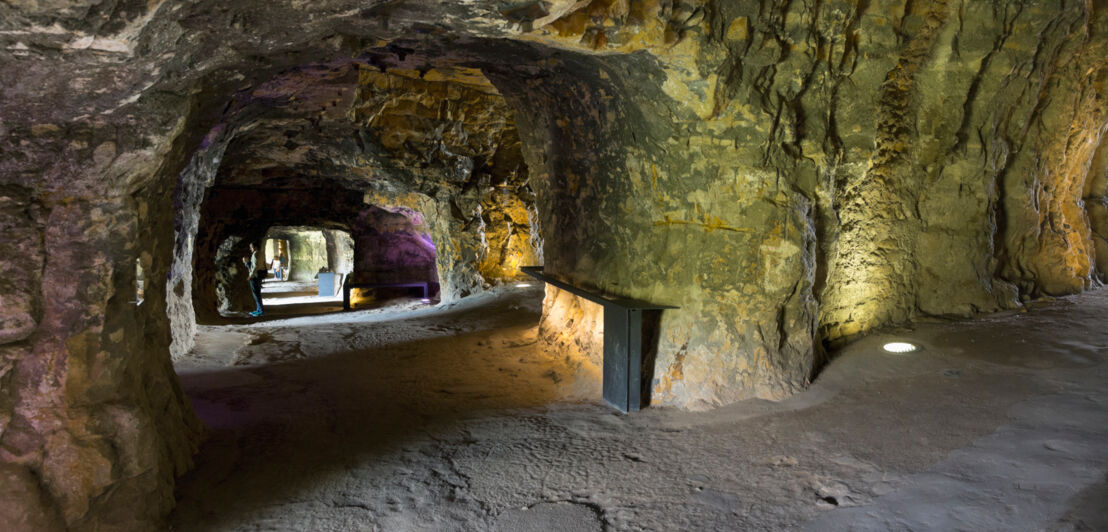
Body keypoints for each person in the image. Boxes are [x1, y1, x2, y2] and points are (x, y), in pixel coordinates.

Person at [242, 243, 264, 317]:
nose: (250, 249)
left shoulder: (255, 254)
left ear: (255, 247)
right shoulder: (261, 253)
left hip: (254, 276)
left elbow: (255, 267)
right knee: (257, 293)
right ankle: (258, 310)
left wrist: (250, 276)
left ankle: (260, 311)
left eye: (251, 247)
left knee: (256, 294)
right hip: (259, 275)